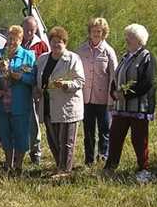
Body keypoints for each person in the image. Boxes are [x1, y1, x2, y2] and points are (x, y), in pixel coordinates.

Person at [103, 23, 157, 183]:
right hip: (121, 107)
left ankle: (144, 169)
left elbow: (147, 82)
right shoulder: (125, 56)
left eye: (130, 37)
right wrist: (114, 92)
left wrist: (126, 94)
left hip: (139, 107)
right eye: (127, 36)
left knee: (139, 139)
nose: (127, 39)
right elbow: (117, 77)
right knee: (115, 136)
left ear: (139, 40)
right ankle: (110, 167)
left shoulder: (147, 57)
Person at [33, 26, 85, 179]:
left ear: (65, 43)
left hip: (67, 105)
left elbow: (80, 81)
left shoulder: (72, 59)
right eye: (53, 42)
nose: (56, 45)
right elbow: (39, 80)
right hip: (48, 105)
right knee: (53, 139)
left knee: (66, 141)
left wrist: (66, 84)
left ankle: (65, 171)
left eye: (59, 42)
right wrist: (37, 89)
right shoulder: (42, 59)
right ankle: (59, 167)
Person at [0, 25, 36, 175]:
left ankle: (18, 166)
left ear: (21, 39)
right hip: (2, 103)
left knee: (21, 134)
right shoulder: (0, 55)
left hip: (20, 102)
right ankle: (7, 163)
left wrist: (20, 77)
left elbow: (33, 79)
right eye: (9, 38)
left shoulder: (28, 56)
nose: (11, 42)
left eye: (15, 39)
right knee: (5, 133)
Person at [76, 17, 118, 165]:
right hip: (85, 98)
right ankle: (89, 159)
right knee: (88, 132)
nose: (96, 34)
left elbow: (114, 77)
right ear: (89, 32)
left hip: (103, 99)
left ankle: (103, 157)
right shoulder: (80, 51)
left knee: (104, 130)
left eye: (99, 31)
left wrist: (112, 99)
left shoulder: (109, 52)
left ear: (104, 33)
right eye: (93, 31)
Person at [22, 16, 48, 165]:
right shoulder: (16, 42)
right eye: (26, 29)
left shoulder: (41, 46)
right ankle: (19, 150)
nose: (29, 32)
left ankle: (35, 151)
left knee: (34, 121)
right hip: (18, 87)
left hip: (34, 88)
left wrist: (40, 87)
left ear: (36, 29)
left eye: (32, 30)